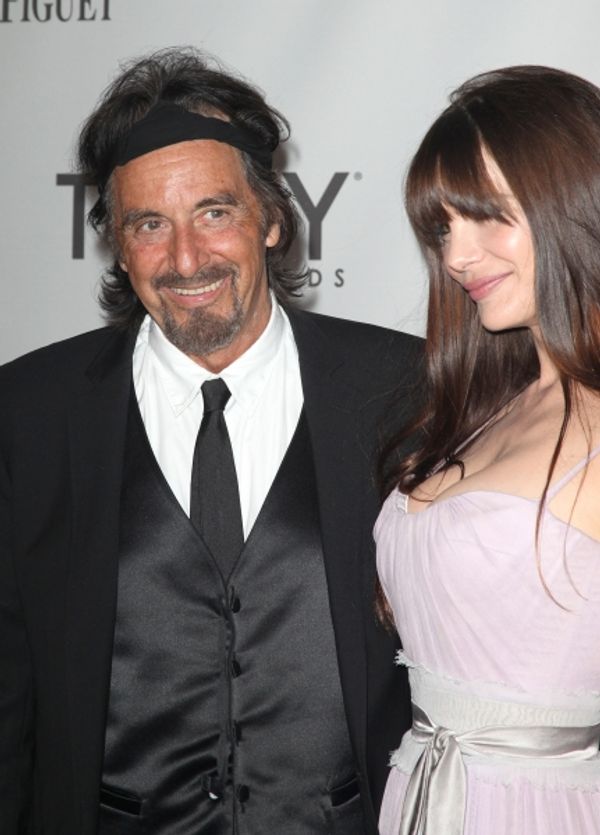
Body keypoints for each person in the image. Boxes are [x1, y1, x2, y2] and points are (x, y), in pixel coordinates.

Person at [0, 47, 421, 834]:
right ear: (118, 247)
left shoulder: (403, 389)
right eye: (150, 223)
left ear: (270, 218)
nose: (186, 258)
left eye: (214, 212)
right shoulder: (30, 412)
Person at [376, 65, 600, 835]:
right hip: (426, 792)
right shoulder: (491, 405)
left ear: (572, 203)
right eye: (441, 227)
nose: (458, 256)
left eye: (487, 217)